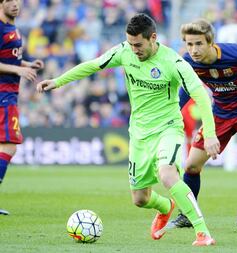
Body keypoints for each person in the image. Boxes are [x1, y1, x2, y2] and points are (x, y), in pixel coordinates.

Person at [36, 13, 219, 246]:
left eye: (138, 45)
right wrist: (57, 81)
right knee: (140, 199)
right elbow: (93, 65)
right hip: (139, 134)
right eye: (130, 44)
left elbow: (201, 95)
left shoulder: (174, 63)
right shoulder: (123, 51)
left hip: (168, 129)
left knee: (167, 174)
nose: (133, 50)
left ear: (153, 38)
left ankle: (202, 233)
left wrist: (210, 133)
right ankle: (166, 206)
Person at [169, 19, 237, 230]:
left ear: (210, 42)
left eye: (198, 44)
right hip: (221, 111)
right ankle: (187, 215)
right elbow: (188, 87)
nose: (194, 50)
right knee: (192, 165)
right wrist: (174, 111)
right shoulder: (188, 62)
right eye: (189, 44)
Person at [0, 0, 44, 215]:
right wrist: (18, 71)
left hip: (8, 94)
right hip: (3, 95)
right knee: (9, 146)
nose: (15, 4)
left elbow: (10, 58)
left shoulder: (12, 26)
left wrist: (27, 64)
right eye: (10, 1)